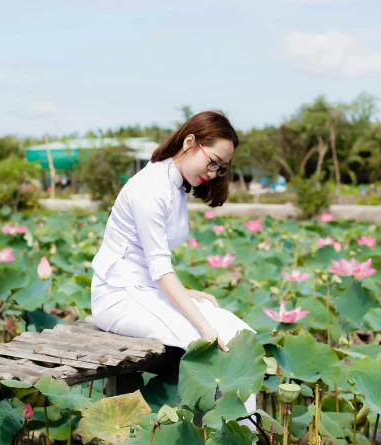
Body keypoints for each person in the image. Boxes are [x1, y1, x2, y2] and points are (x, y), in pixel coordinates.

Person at [90, 111, 258, 424]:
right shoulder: (150, 188)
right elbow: (159, 268)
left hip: (145, 291)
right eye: (213, 162)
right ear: (190, 142)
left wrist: (189, 295)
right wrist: (204, 326)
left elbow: (152, 265)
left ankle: (242, 443)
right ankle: (216, 440)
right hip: (118, 296)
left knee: (240, 334)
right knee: (207, 342)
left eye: (221, 168)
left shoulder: (175, 183)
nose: (214, 172)